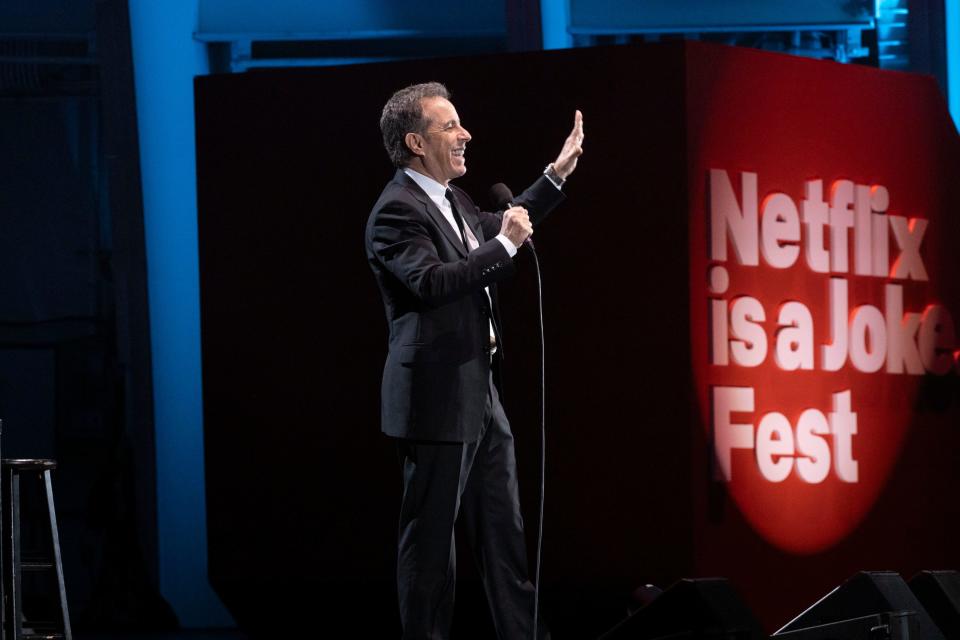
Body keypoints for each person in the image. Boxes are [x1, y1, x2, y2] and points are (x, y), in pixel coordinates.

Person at [365, 81, 583, 640]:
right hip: (435, 401)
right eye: (449, 126)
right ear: (416, 141)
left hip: (481, 394)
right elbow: (433, 283)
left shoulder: (451, 200)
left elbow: (500, 225)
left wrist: (553, 179)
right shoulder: (395, 212)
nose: (465, 135)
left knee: (504, 541)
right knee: (432, 550)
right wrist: (506, 246)